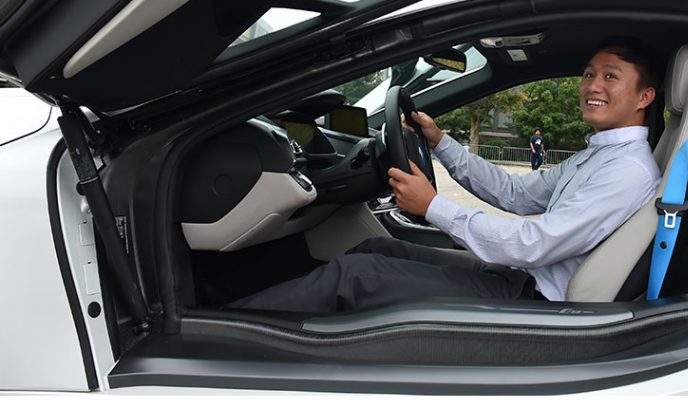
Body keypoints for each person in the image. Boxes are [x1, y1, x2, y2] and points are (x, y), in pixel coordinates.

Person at [228, 37, 662, 313]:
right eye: (589, 74)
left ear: (645, 96)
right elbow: (516, 193)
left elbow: (535, 244)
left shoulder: (625, 169)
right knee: (377, 247)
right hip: (522, 280)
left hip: (534, 302)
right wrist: (440, 143)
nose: (592, 86)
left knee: (353, 277)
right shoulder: (599, 155)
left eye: (610, 76)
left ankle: (227, 332)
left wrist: (434, 206)